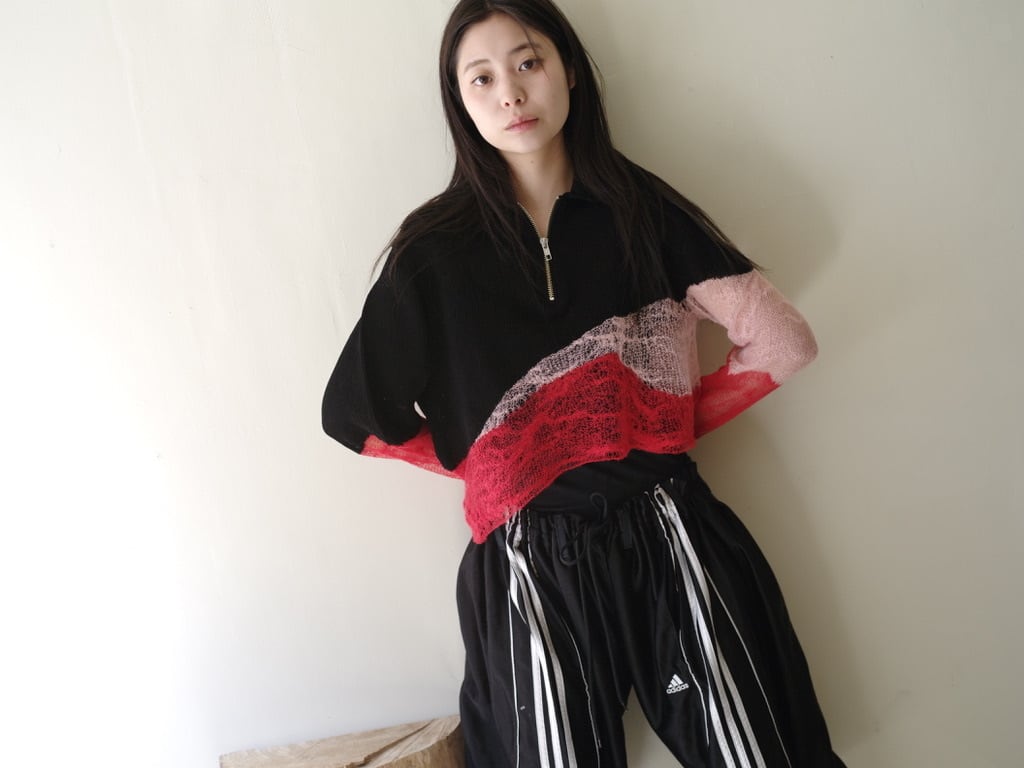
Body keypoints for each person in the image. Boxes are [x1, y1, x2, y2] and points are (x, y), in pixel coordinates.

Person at [322, 0, 846, 765]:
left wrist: (653, 421)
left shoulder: (644, 212)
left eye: (528, 62)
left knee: (757, 754)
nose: (511, 92)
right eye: (481, 78)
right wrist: (500, 460)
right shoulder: (433, 253)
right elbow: (355, 414)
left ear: (569, 69)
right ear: (459, 101)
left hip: (671, 534)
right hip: (529, 565)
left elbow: (782, 340)